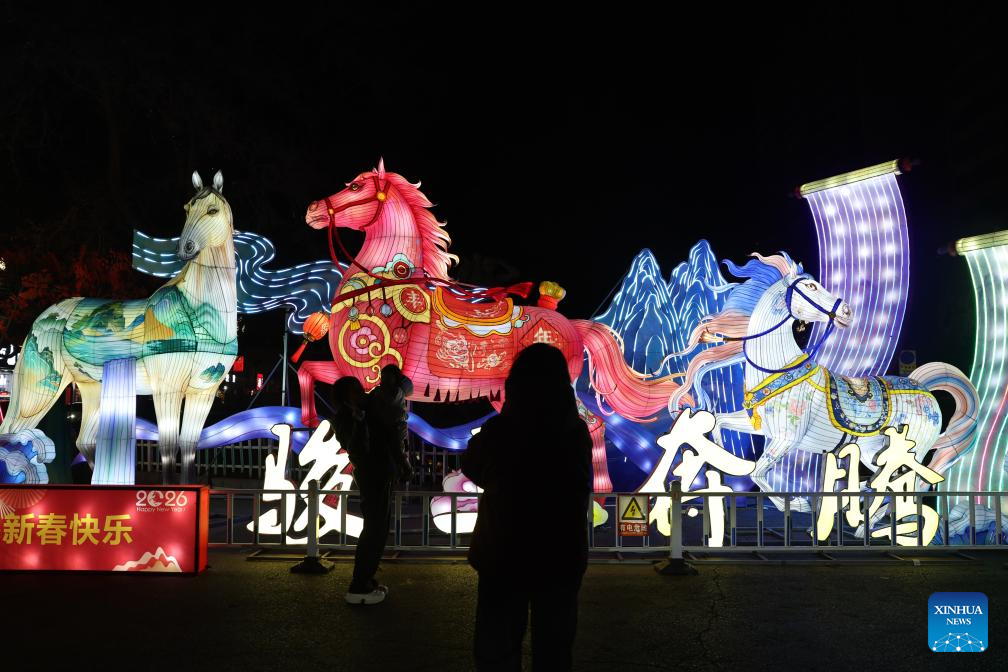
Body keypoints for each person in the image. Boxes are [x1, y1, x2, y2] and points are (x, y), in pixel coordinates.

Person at [461, 343, 592, 672]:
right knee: (554, 648)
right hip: (560, 553)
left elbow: (472, 466)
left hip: (503, 552)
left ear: (515, 383)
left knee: (498, 646)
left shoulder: (500, 431)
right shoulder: (575, 432)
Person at [340, 365, 414, 605]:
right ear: (345, 397)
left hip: (379, 472)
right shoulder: (348, 417)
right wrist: (360, 421)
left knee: (378, 528)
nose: (363, 394)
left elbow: (390, 436)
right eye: (356, 391)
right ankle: (359, 584)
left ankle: (367, 578)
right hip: (374, 474)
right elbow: (359, 448)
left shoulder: (366, 412)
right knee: (374, 529)